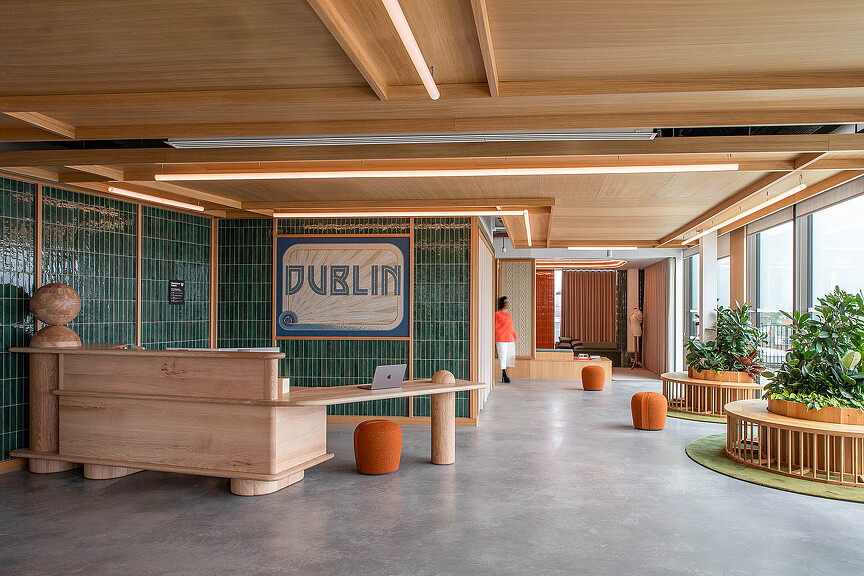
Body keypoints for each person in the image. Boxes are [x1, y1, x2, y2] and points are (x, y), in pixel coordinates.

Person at [495, 296, 517, 383]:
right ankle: (505, 374)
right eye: (505, 302)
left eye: (507, 302)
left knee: (509, 357)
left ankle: (504, 374)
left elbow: (511, 327)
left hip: (509, 338)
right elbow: (495, 327)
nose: (507, 304)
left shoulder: (509, 316)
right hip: (501, 338)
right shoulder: (497, 314)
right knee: (502, 356)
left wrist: (514, 336)